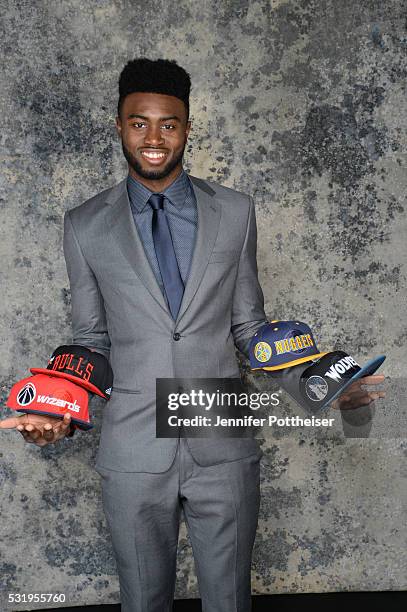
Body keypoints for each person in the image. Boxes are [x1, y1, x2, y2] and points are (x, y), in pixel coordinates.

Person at [0, 58, 385, 612]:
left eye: (168, 124)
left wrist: (319, 386)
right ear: (119, 125)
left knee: (229, 600)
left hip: (220, 439)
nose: (154, 137)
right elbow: (91, 338)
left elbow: (251, 328)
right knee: (143, 602)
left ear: (187, 126)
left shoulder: (235, 212)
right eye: (139, 123)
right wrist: (61, 411)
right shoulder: (84, 224)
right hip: (133, 449)